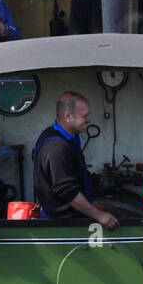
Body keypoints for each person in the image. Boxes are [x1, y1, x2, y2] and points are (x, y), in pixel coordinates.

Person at [33, 92, 118, 228]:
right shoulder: (56, 147)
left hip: (73, 218)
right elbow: (67, 191)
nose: (89, 119)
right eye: (85, 116)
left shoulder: (68, 138)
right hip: (62, 225)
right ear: (68, 116)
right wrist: (99, 215)